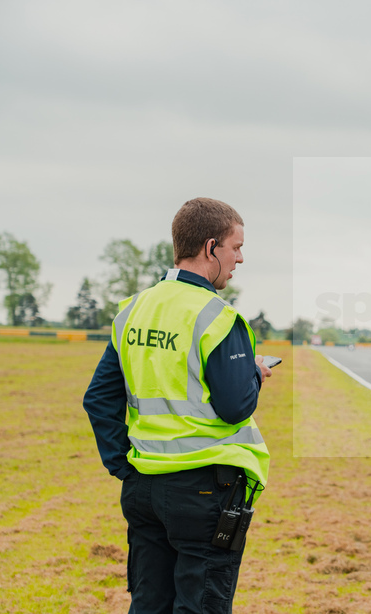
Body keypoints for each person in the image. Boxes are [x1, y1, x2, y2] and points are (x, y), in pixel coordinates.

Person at [83, 197, 273, 613]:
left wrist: (123, 468)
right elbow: (235, 407)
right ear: (210, 248)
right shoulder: (219, 318)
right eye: (235, 247)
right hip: (205, 491)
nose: (240, 258)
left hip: (144, 485)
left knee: (148, 604)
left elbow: (98, 398)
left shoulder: (132, 310)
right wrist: (254, 375)